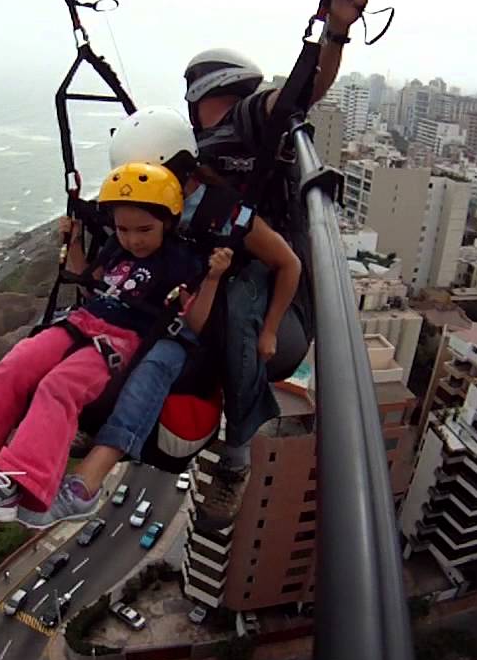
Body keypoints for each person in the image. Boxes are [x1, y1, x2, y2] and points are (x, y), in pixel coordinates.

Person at [0, 162, 232, 520]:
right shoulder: (118, 249)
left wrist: (212, 278)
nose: (134, 239)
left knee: (60, 385)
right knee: (17, 362)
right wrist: (72, 242)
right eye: (123, 228)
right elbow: (93, 284)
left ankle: (14, 480)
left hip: (119, 341)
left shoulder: (181, 261)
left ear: (169, 221)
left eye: (144, 229)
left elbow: (196, 321)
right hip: (82, 322)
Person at [17, 107, 301, 529]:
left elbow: (288, 263)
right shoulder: (138, 220)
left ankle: (235, 457)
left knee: (236, 339)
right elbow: (103, 279)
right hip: (154, 300)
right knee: (63, 335)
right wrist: (76, 243)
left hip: (211, 291)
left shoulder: (222, 212)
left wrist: (271, 328)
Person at [184, 0, 369, 529]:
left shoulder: (245, 119)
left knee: (237, 307)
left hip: (274, 286)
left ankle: (234, 459)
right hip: (243, 267)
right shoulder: (201, 151)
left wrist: (333, 29)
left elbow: (301, 92)